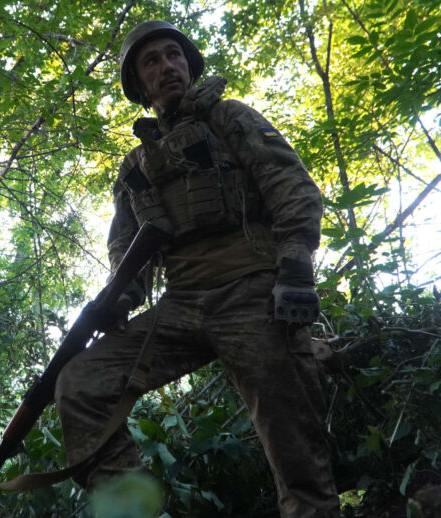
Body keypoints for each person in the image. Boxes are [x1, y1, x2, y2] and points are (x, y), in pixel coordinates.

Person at [54, 20, 340, 517]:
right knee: (80, 384)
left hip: (253, 292)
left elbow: (292, 188)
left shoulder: (229, 119)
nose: (167, 66)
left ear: (188, 65)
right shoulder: (135, 167)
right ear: (139, 85)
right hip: (181, 306)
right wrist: (119, 297)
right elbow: (125, 247)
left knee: (298, 462)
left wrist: (295, 271)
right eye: (152, 61)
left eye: (174, 55)